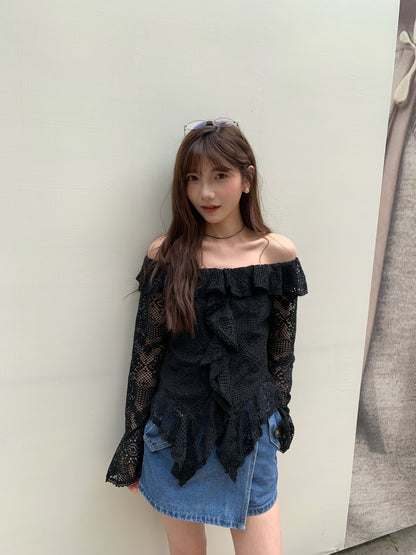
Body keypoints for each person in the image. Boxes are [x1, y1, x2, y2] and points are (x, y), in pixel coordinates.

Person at [106, 118, 308, 555]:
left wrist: (277, 415)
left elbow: (281, 351)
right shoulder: (166, 254)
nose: (206, 193)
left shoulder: (276, 254)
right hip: (176, 434)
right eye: (193, 178)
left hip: (249, 435)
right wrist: (133, 442)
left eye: (220, 176)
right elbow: (147, 355)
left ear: (247, 179)